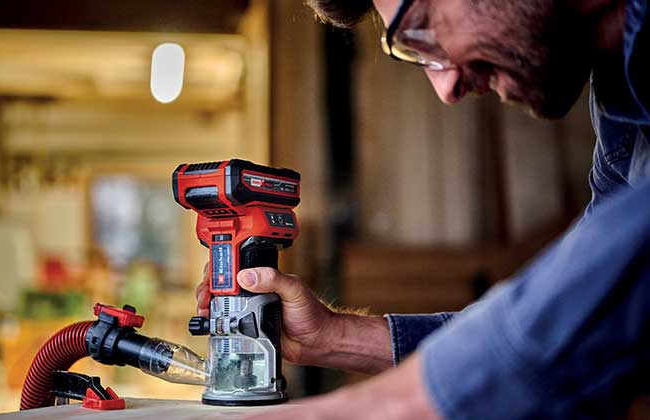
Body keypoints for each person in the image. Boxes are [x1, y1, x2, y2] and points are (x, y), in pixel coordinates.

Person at [196, 0, 650, 418]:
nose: (446, 88)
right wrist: (337, 338)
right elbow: (579, 308)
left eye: (422, 29)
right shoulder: (620, 109)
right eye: (414, 53)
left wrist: (387, 404)